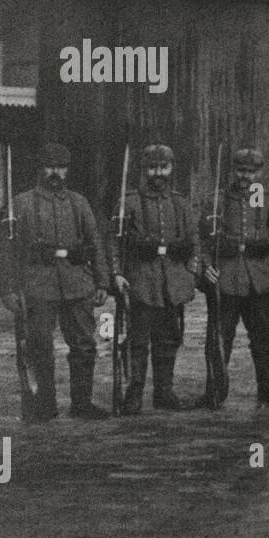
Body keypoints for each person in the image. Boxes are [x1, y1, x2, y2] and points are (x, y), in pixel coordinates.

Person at [0, 142, 111, 420]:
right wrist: (7, 290)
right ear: (40, 168)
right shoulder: (21, 204)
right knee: (39, 346)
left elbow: (95, 243)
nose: (55, 172)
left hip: (77, 283)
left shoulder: (79, 203)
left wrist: (102, 281)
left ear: (67, 170)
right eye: (49, 166)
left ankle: (82, 404)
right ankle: (43, 405)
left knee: (84, 344)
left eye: (60, 167)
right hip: (38, 285)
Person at [196, 146, 269, 407]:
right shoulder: (217, 200)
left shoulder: (263, 198)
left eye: (251, 172)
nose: (245, 177)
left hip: (258, 279)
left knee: (263, 337)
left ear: (259, 173)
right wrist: (206, 266)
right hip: (225, 279)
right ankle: (215, 392)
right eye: (241, 170)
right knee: (219, 337)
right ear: (233, 171)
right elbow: (202, 240)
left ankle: (267, 388)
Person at [107, 144, 200, 414]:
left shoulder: (181, 203)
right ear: (143, 170)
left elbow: (194, 240)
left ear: (171, 169)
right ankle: (134, 393)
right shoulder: (129, 202)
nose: (157, 173)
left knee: (169, 339)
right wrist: (117, 273)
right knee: (138, 341)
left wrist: (191, 274)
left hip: (172, 282)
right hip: (141, 282)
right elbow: (113, 240)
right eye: (152, 168)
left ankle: (164, 392)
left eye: (163, 167)